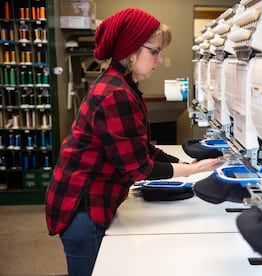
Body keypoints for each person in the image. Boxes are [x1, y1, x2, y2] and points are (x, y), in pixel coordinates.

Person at [45, 8, 223, 276]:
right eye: (155, 51)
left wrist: (184, 163)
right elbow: (139, 167)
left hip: (90, 202)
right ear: (131, 51)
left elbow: (142, 148)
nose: (160, 59)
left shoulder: (123, 86)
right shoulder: (115, 94)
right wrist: (194, 170)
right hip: (83, 208)